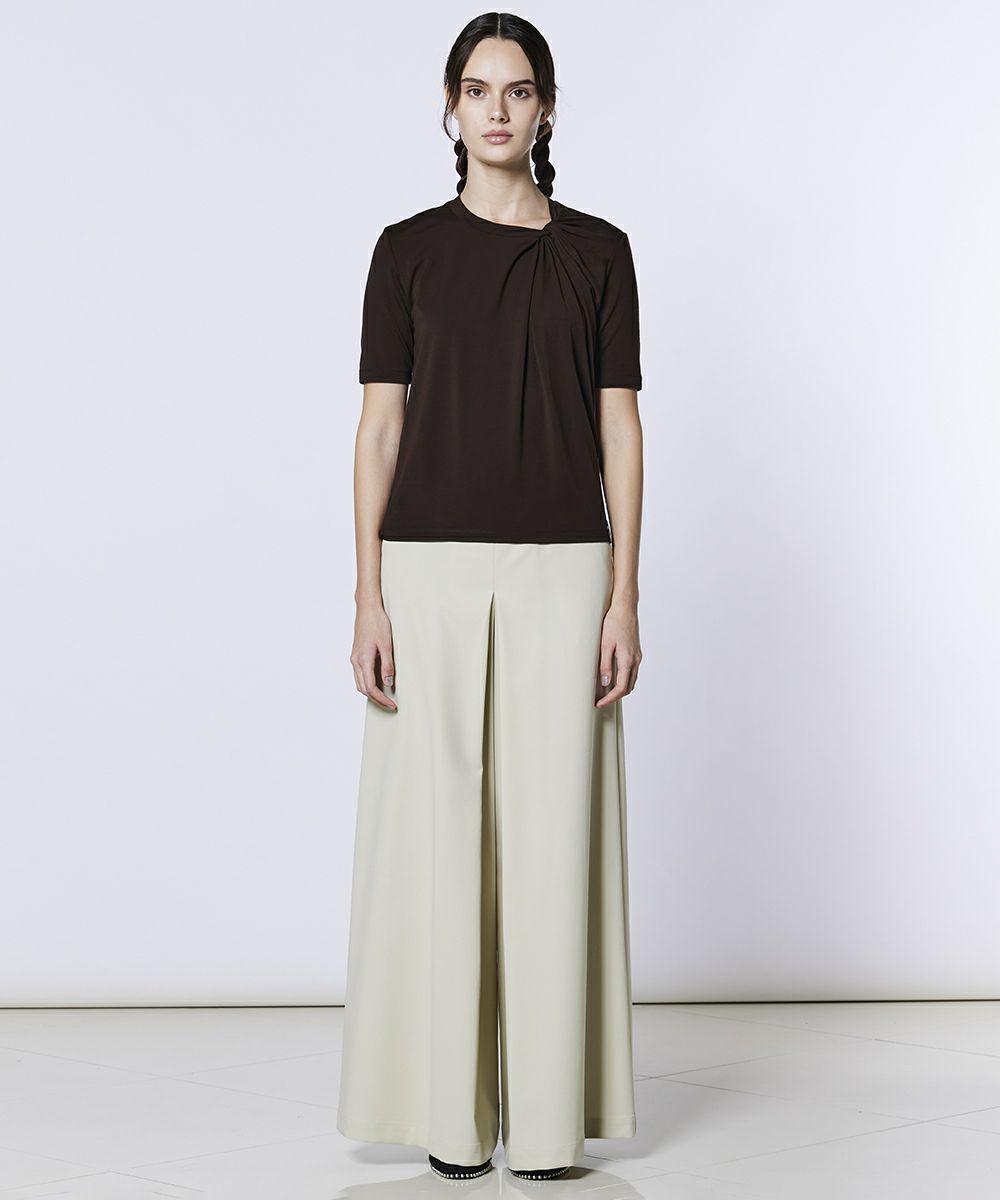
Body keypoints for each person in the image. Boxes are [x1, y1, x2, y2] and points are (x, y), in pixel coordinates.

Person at [336, 12, 645, 1184]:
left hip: (566, 568)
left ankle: (551, 1127)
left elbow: (621, 429)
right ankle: (451, 1124)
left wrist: (624, 595)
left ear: (546, 108)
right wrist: (367, 595)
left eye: (518, 90)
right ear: (451, 108)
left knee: (554, 840)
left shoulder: (600, 253)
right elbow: (378, 430)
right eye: (477, 89)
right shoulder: (404, 252)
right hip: (426, 570)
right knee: (440, 841)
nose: (498, 109)